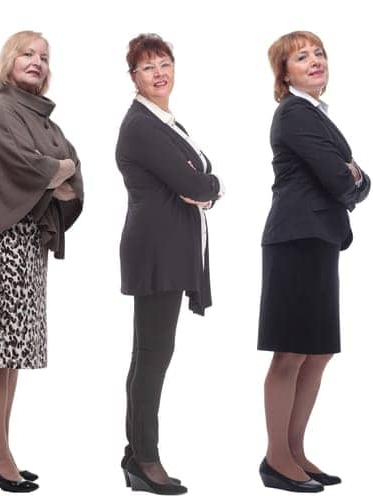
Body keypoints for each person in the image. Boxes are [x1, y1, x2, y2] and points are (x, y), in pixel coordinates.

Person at [0, 30, 83, 494]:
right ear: (8, 60)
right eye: (28, 54)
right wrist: (57, 170)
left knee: (15, 351)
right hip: (3, 238)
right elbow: (36, 168)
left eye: (44, 57)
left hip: (29, 239)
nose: (37, 62)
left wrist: (60, 169)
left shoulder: (42, 118)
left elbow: (72, 165)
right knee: (0, 348)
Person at [256, 30, 370, 494]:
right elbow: (340, 179)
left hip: (319, 239)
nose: (315, 61)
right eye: (301, 57)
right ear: (285, 73)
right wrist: (354, 178)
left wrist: (355, 179)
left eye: (318, 53)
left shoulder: (316, 115)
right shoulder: (294, 115)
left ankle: (296, 450)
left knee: (318, 351)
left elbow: (355, 181)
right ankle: (276, 458)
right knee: (291, 351)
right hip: (295, 240)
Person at [113, 33, 222, 496]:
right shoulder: (140, 124)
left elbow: (201, 177)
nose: (159, 72)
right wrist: (208, 186)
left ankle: (136, 453)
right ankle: (144, 458)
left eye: (164, 63)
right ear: (133, 77)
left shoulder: (164, 121)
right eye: (148, 67)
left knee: (150, 354)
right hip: (155, 251)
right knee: (153, 356)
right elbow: (193, 181)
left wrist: (205, 185)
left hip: (167, 250)